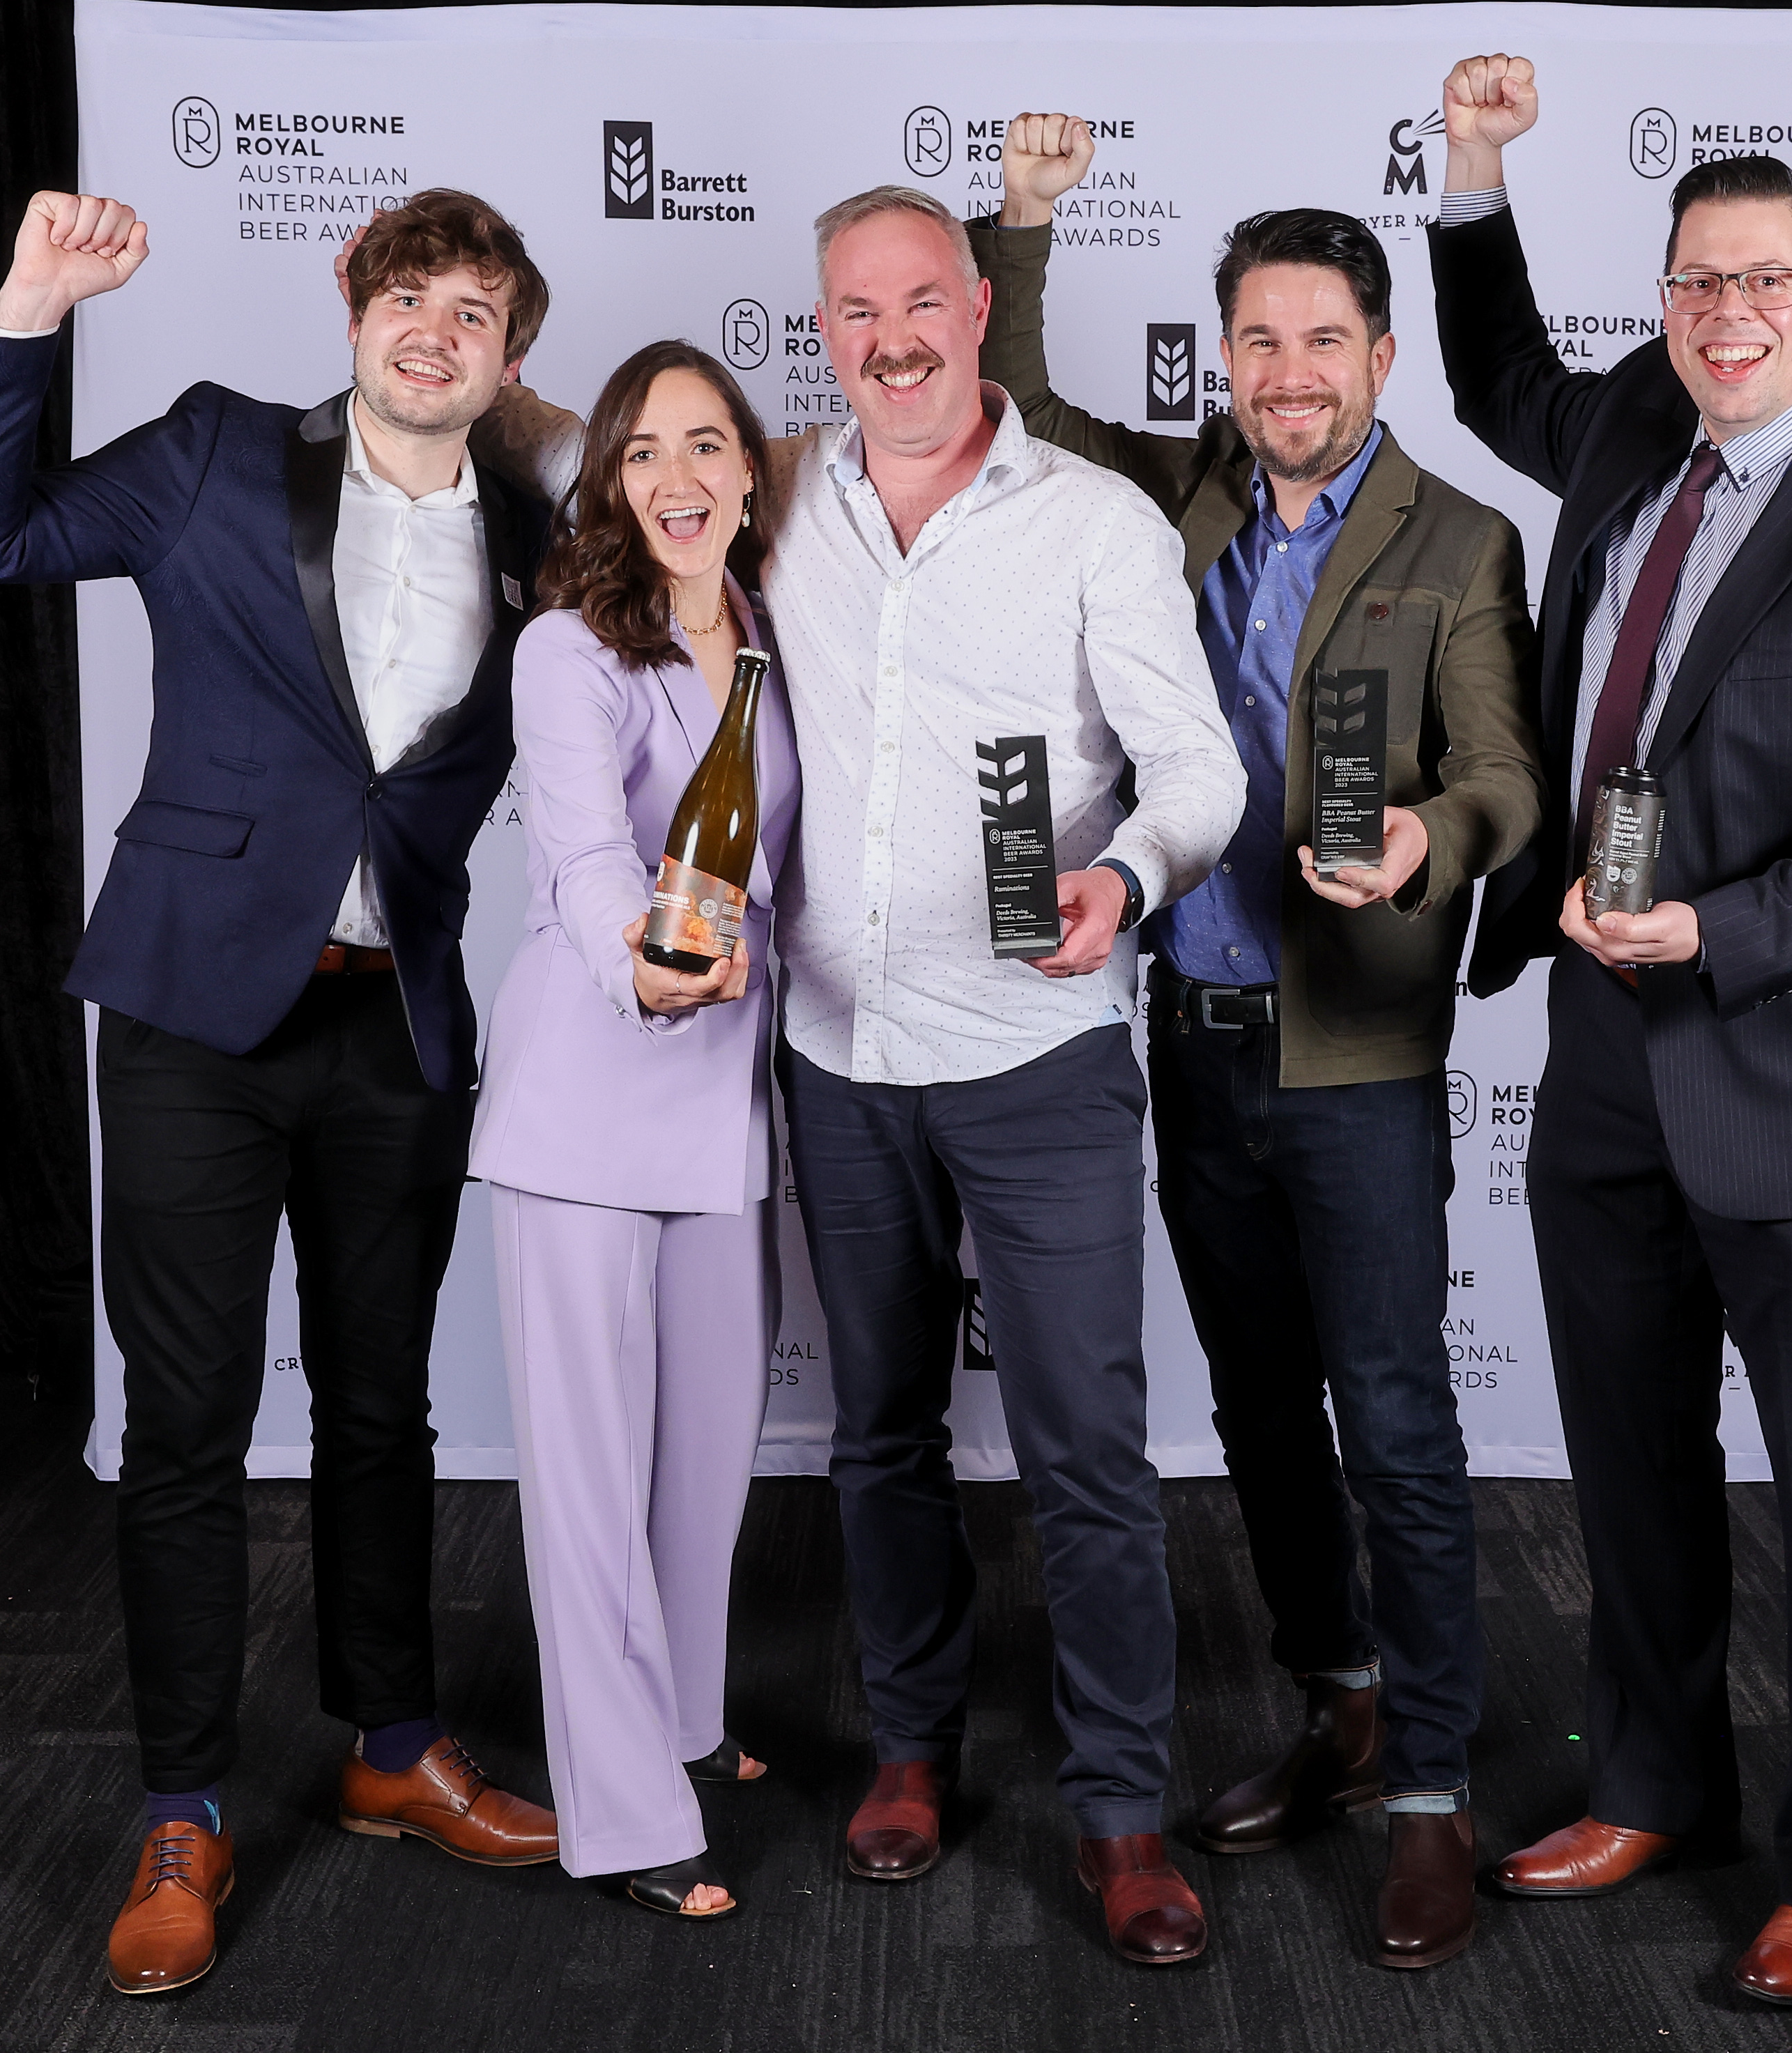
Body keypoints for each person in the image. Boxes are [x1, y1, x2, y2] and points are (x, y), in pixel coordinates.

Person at [489, 184, 1243, 1969]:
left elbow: (1200, 770)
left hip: (1037, 1053)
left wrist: (1127, 878)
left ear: (978, 307)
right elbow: (615, 454)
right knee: (880, 1435)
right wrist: (453, 340)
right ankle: (910, 1750)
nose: (891, 338)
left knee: (1086, 1449)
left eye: (919, 302)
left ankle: (1121, 1814)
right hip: (835, 1055)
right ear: (822, 335)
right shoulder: (784, 496)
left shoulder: (1097, 520)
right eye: (854, 312)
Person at [0, 187, 574, 1997]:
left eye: (476, 311)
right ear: (352, 308)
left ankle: (392, 1747)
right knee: (189, 1423)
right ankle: (182, 1807)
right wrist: (29, 309)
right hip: (194, 1018)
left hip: (395, 1027)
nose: (434, 331)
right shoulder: (213, 453)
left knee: (380, 1409)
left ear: (511, 358)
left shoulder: (541, 529)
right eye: (408, 296)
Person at [1427, 56, 1792, 2007]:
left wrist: (1718, 930)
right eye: (1695, 282)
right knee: (1629, 1458)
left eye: (1762, 281)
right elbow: (1494, 373)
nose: (1727, 313)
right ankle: (1653, 1779)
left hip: (1789, 1075)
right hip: (1602, 1051)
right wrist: (1475, 167)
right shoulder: (1625, 423)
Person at [974, 118, 1541, 1973]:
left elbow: (1507, 778)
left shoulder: (1461, 537)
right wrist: (1025, 223)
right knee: (1261, 1414)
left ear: (1381, 353)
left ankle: (1434, 1793)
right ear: (1225, 355)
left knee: (1397, 1420)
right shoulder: (1182, 493)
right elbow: (1020, 403)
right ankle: (1342, 1705)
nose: (1290, 374)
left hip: (1357, 1047)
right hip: (1195, 1033)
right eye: (1260, 341)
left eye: (1323, 341)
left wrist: (1425, 841)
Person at [468, 340, 797, 1923]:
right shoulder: (568, 649)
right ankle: (622, 1816)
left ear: (749, 470)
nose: (678, 477)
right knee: (590, 1485)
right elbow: (590, 856)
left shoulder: (779, 634)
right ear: (608, 481)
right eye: (644, 452)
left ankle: (681, 1719)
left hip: (725, 1104)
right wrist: (642, 965)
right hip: (590, 1098)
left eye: (706, 444)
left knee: (708, 1456)